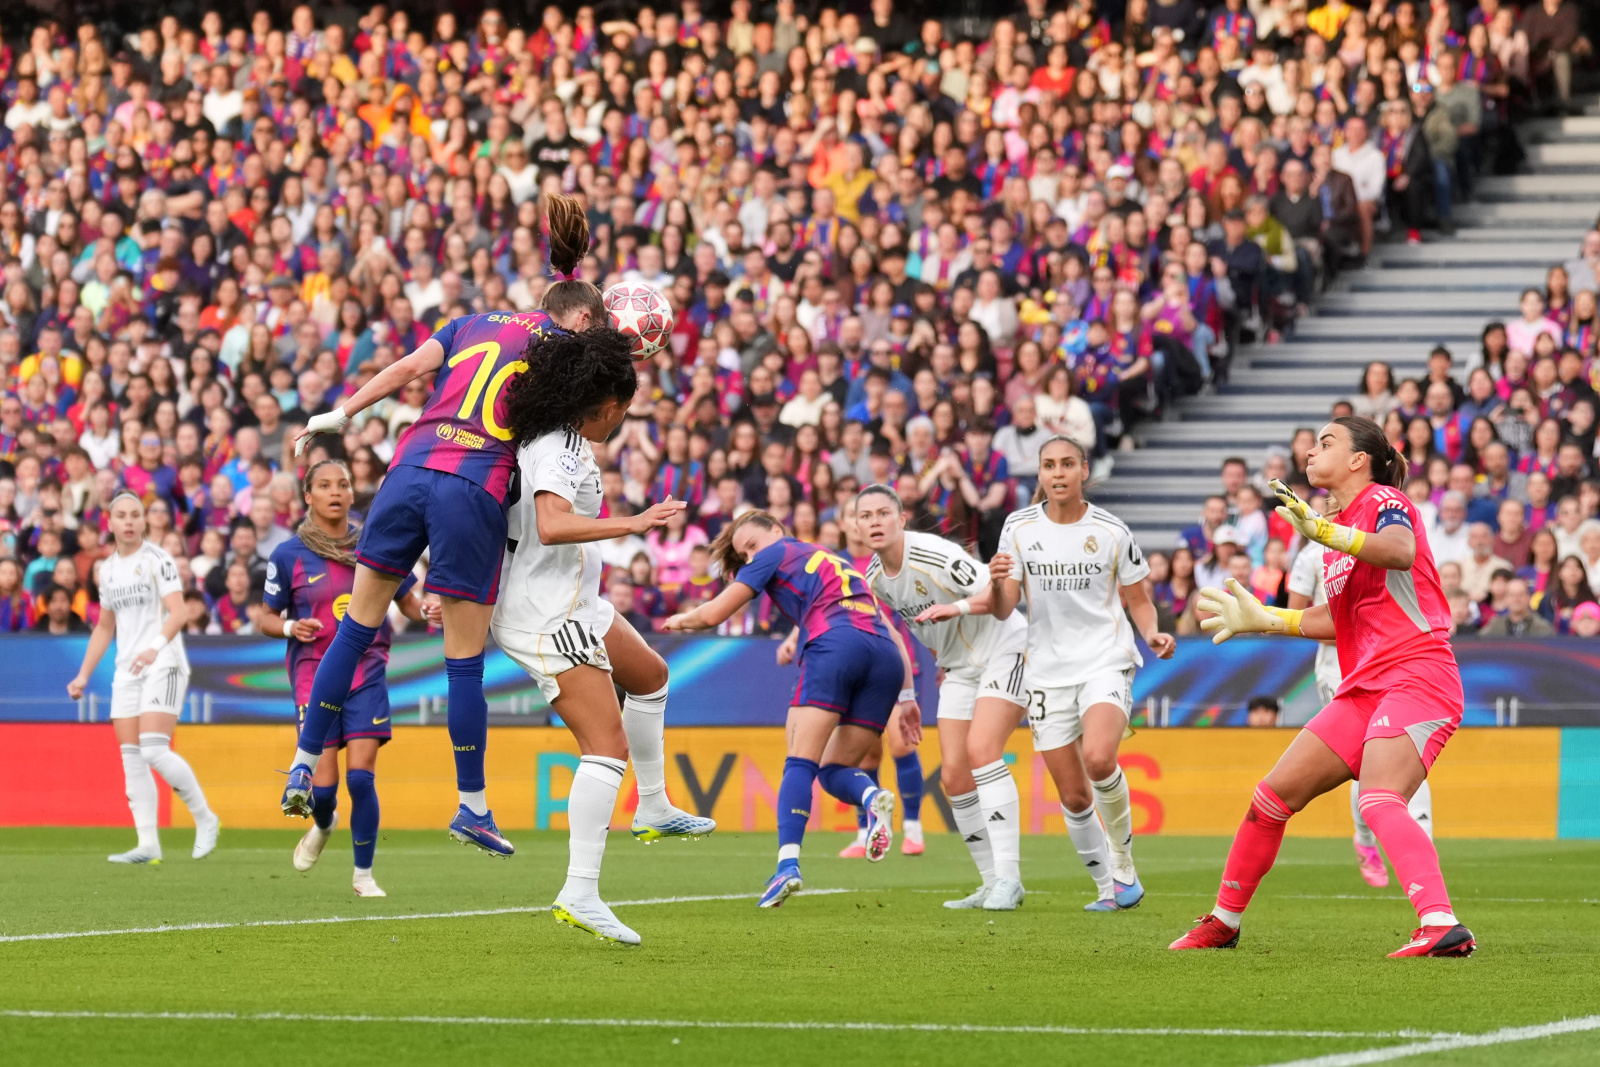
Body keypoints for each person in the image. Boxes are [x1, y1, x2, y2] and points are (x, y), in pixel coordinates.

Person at [282, 194, 605, 855]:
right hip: (471, 483)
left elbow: (404, 371)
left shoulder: (468, 321)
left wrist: (339, 415)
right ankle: (472, 805)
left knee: (355, 626)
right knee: (463, 663)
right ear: (580, 315)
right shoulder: (563, 346)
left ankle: (302, 755)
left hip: (409, 468)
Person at [1174, 417, 1474, 958]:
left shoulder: (1386, 502)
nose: (1311, 452)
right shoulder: (1329, 539)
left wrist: (1327, 533)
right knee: (1270, 799)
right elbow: (1341, 624)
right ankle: (1223, 921)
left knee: (1381, 798)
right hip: (1363, 686)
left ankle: (1441, 924)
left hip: (1417, 674)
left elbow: (1400, 551)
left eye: (1326, 443)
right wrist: (1268, 619)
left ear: (1359, 459)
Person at [491, 327, 712, 945]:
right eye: (625, 409)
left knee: (650, 677)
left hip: (576, 599)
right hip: (544, 612)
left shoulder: (557, 437)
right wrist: (636, 522)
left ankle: (654, 805)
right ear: (609, 406)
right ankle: (579, 891)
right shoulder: (559, 450)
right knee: (604, 747)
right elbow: (553, 524)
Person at [663, 510, 921, 909]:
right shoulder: (829, 559)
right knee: (834, 770)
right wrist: (907, 698)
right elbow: (886, 629)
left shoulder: (775, 552)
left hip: (836, 646)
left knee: (800, 763)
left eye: (752, 544)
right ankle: (871, 797)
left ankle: (787, 866)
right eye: (743, 553)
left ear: (777, 531)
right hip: (884, 657)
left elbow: (714, 614)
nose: (751, 556)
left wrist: (681, 620)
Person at [990, 436, 1176, 911]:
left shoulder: (1112, 531)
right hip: (1047, 672)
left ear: (1083, 471)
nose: (1058, 473)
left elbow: (1138, 600)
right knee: (1073, 797)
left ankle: (1124, 863)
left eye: (1067, 464)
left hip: (1104, 659)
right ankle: (1108, 889)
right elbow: (1005, 607)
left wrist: (1152, 634)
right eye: (1049, 465)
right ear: (1040, 473)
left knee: (1098, 758)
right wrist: (995, 584)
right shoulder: (1018, 527)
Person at [855, 483, 1031, 909]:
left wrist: (958, 609)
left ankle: (1010, 878)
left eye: (883, 513)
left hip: (1005, 647)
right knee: (953, 776)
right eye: (866, 516)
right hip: (958, 668)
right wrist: (911, 690)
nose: (875, 522)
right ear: (856, 526)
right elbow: (913, 628)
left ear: (900, 519)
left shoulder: (935, 554)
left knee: (982, 752)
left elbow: (1004, 596)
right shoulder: (875, 579)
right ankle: (990, 882)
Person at [259, 460, 428, 898]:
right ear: (307, 496)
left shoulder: (375, 544)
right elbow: (264, 617)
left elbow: (408, 601)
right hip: (312, 675)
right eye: (324, 485)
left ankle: (363, 875)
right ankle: (324, 821)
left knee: (361, 779)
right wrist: (287, 628)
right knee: (327, 789)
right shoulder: (288, 555)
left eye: (344, 485)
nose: (335, 492)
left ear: (353, 495)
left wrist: (429, 609)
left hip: (366, 670)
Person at [1287, 501, 1434, 892]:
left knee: (1403, 751)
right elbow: (1295, 614)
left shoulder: (1382, 536)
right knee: (1367, 758)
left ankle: (1418, 844)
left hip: (1390, 659)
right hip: (1338, 666)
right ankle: (1367, 840)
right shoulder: (1311, 554)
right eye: (1329, 500)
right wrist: (1349, 626)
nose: (1336, 504)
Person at [66, 491, 219, 864]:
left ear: (144, 521)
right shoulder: (107, 570)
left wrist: (153, 647)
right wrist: (83, 675)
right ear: (110, 522)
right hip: (126, 669)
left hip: (163, 660)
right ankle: (147, 844)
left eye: (136, 514)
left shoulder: (158, 560)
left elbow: (178, 612)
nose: (130, 521)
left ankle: (205, 818)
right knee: (131, 757)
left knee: (152, 748)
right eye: (122, 515)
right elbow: (104, 626)